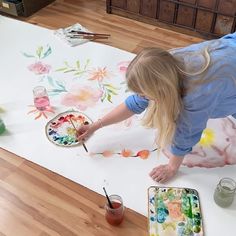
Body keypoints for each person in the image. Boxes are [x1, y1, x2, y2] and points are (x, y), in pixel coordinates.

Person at [77, 33, 236, 183]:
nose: (143, 98)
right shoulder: (165, 65)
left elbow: (188, 132)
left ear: (162, 90)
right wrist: (95, 126)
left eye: (145, 94)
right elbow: (135, 103)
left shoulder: (196, 94)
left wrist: (172, 167)